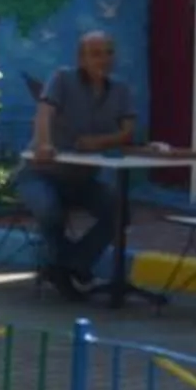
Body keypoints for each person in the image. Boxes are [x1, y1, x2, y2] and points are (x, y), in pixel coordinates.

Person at [16, 32, 141, 296]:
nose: (103, 60)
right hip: (41, 173)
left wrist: (99, 142)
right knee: (49, 209)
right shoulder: (62, 79)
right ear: (81, 59)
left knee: (119, 211)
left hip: (81, 179)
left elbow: (127, 132)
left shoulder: (120, 90)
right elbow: (44, 112)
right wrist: (44, 144)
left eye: (108, 53)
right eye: (95, 54)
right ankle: (64, 266)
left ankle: (72, 263)